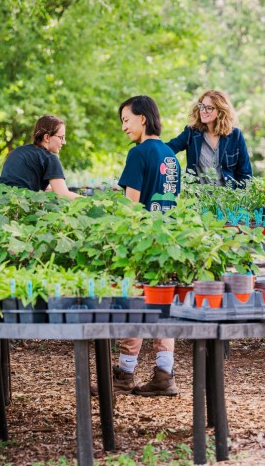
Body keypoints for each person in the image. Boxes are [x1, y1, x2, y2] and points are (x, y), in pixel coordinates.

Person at [115, 95, 180, 397]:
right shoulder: (170, 155)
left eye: (126, 120)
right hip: (169, 241)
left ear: (143, 118)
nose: (124, 127)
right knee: (163, 305)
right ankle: (164, 374)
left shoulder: (138, 154)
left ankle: (125, 373)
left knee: (135, 303)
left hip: (142, 241)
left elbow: (130, 205)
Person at [167, 90, 252, 187]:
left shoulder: (235, 136)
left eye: (209, 108)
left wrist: (239, 200)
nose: (203, 111)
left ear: (220, 111)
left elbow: (245, 175)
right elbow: (169, 148)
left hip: (228, 199)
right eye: (202, 106)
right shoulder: (191, 133)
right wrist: (150, 144)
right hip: (197, 199)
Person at [0, 115, 80, 200]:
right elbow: (62, 195)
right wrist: (90, 201)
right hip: (12, 207)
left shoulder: (18, 151)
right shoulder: (49, 158)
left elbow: (17, 183)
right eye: (61, 137)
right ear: (47, 137)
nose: (64, 142)